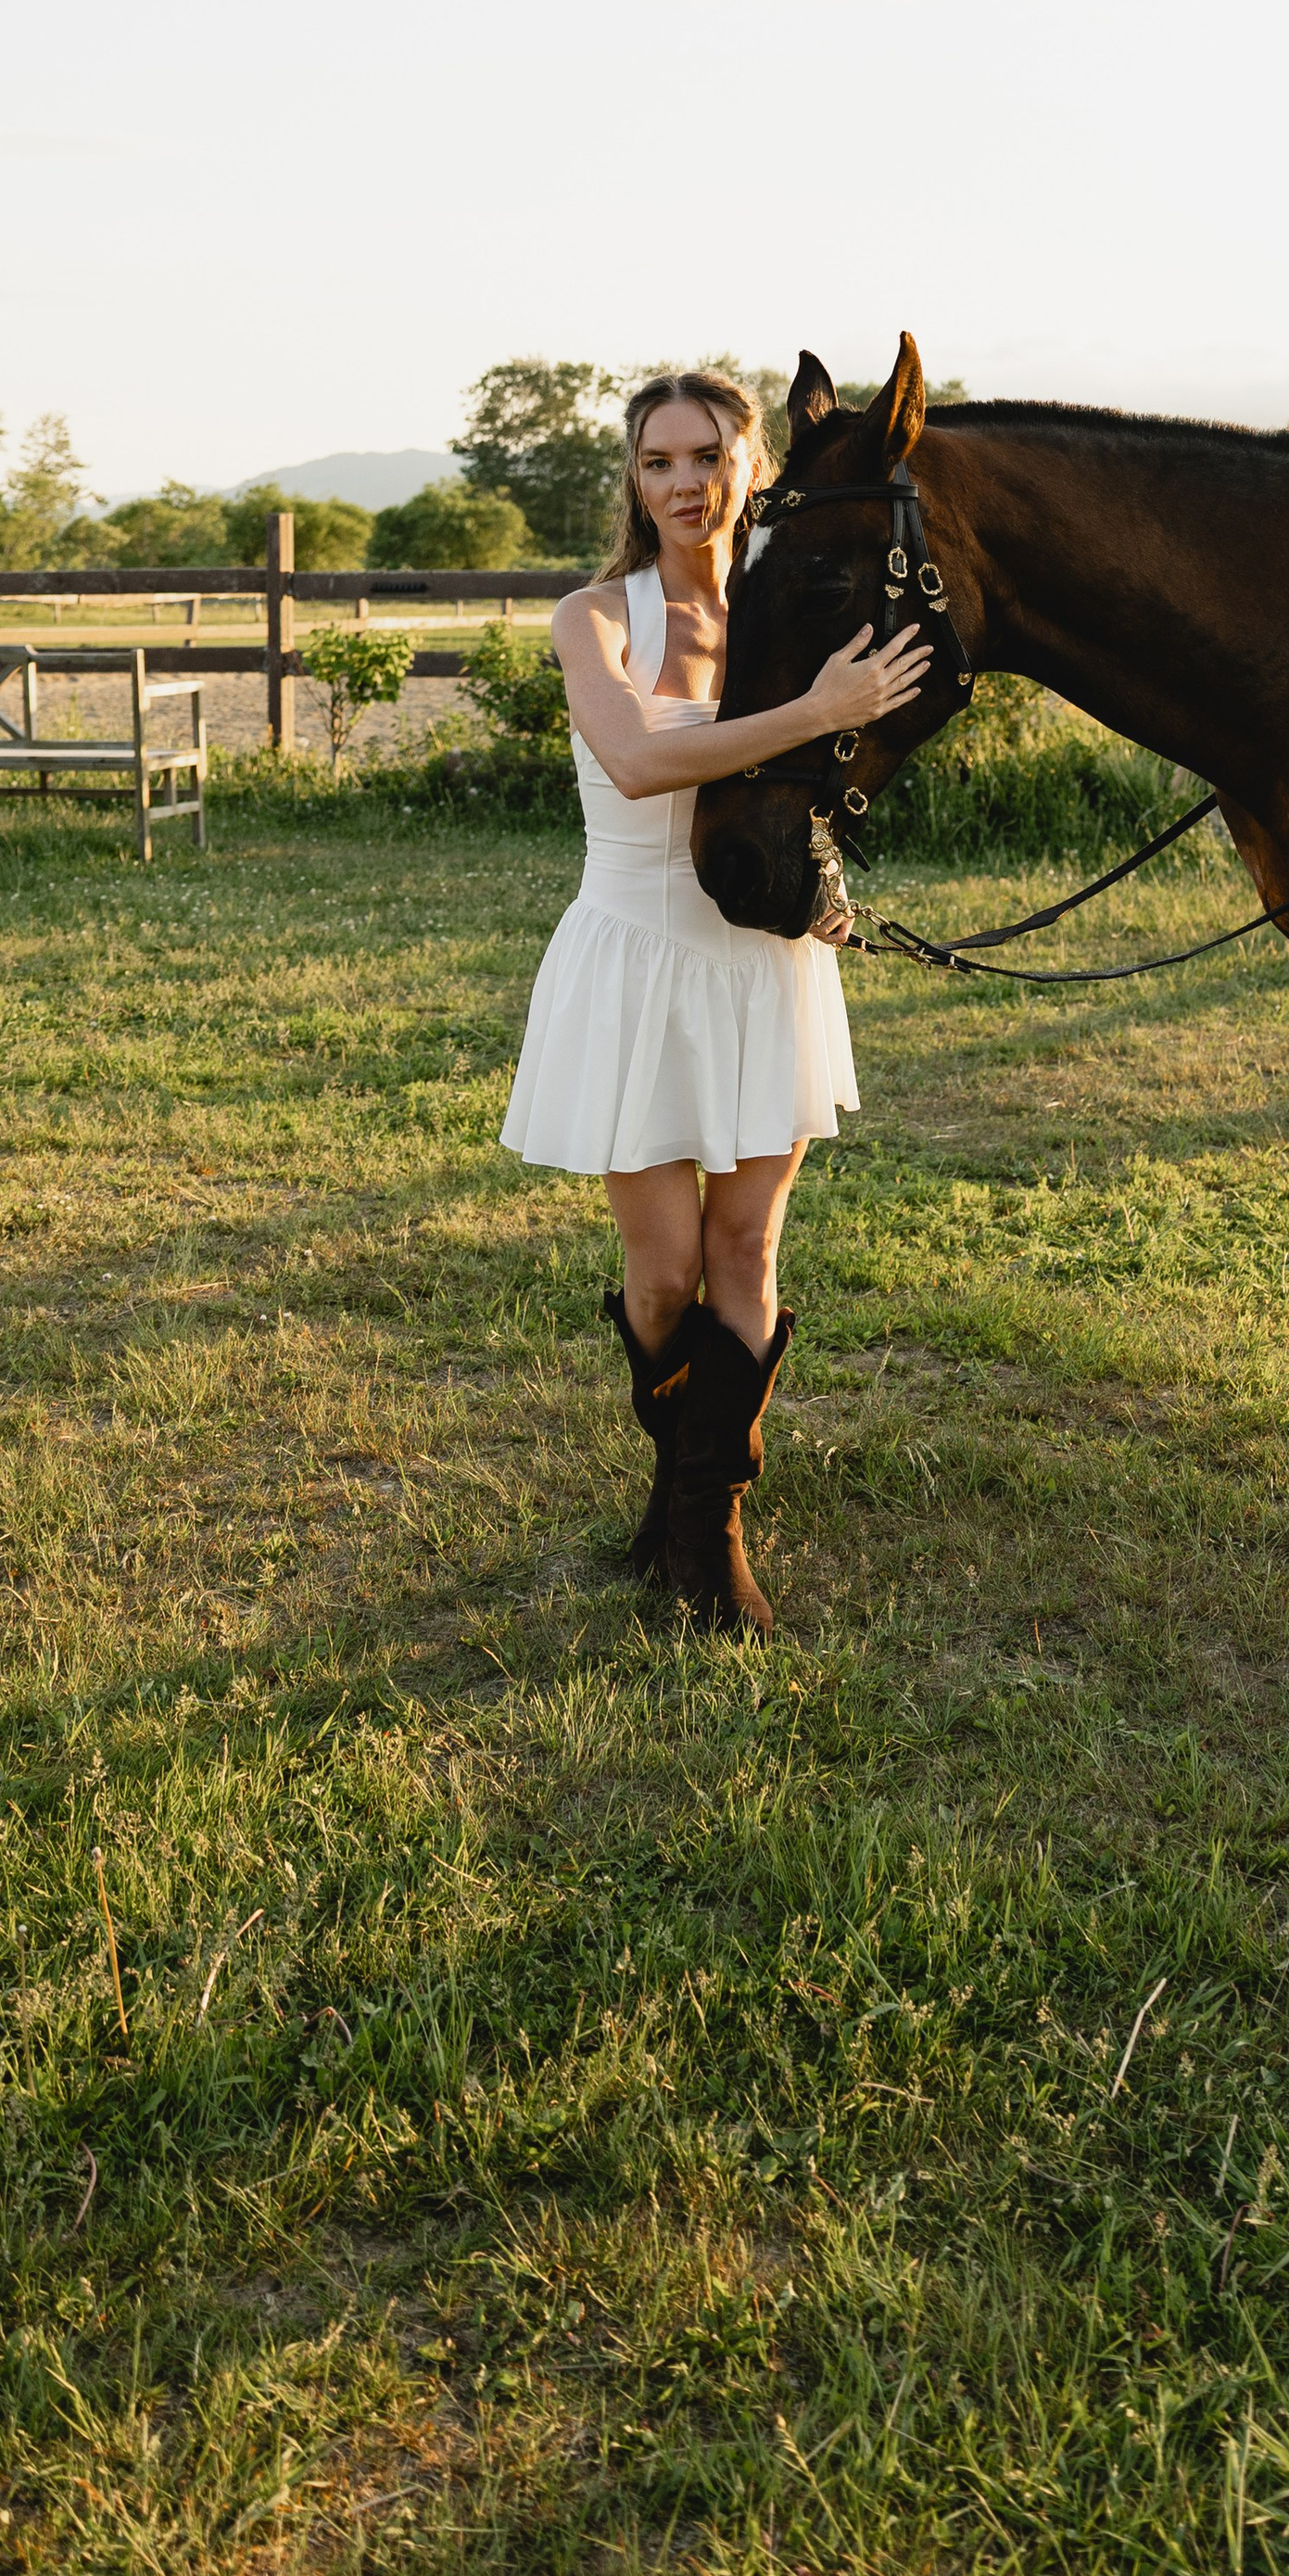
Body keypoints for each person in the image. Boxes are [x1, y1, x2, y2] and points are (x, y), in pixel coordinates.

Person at [501, 370, 929, 1632]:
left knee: (746, 1249)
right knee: (665, 1271)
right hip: (636, 958)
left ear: (750, 465)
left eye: (706, 456)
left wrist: (824, 878)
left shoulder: (786, 617)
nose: (684, 484)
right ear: (634, 481)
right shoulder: (597, 619)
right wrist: (812, 709)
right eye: (657, 461)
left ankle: (708, 1530)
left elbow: (812, 780)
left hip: (760, 962)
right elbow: (635, 761)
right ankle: (669, 1490)